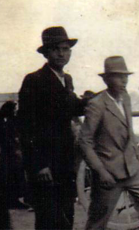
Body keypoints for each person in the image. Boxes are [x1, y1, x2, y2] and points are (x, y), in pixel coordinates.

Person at [79, 56, 139, 230]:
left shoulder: (125, 98)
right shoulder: (97, 104)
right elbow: (84, 141)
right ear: (106, 79)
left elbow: (129, 132)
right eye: (118, 76)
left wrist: (138, 157)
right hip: (109, 174)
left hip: (132, 170)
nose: (123, 81)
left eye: (126, 76)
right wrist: (101, 172)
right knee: (98, 221)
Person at [17, 26, 88, 229]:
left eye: (65, 49)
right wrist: (38, 164)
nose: (61, 53)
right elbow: (25, 126)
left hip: (65, 160)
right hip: (45, 163)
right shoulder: (34, 80)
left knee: (66, 214)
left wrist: (99, 99)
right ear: (46, 53)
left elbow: (74, 107)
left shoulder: (67, 80)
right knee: (48, 218)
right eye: (55, 49)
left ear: (70, 52)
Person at [0, 101, 29, 210]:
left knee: (14, 176)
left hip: (9, 152)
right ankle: (14, 200)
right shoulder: (8, 122)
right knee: (14, 176)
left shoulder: (8, 121)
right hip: (10, 153)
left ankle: (14, 199)